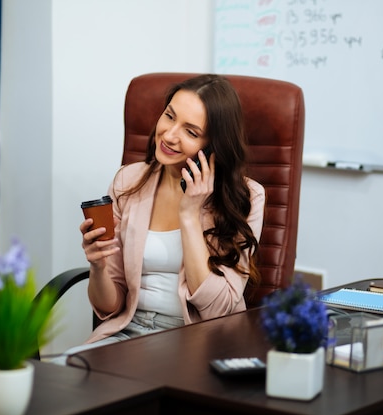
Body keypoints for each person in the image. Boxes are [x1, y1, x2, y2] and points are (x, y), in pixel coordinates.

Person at [64, 74, 265, 359]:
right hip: (127, 333)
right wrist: (97, 267)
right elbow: (110, 307)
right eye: (169, 116)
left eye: (191, 132)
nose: (169, 135)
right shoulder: (128, 181)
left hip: (196, 340)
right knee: (70, 375)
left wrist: (189, 214)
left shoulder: (247, 198)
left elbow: (218, 310)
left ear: (213, 146)